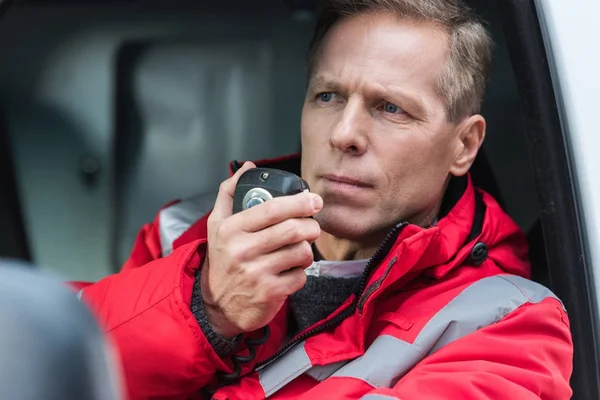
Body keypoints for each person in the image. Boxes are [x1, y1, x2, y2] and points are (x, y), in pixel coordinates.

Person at [73, 0, 574, 399]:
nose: (345, 133)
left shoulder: (510, 324)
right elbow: (56, 365)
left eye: (391, 108)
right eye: (328, 96)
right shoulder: (189, 230)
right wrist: (207, 305)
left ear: (463, 146)